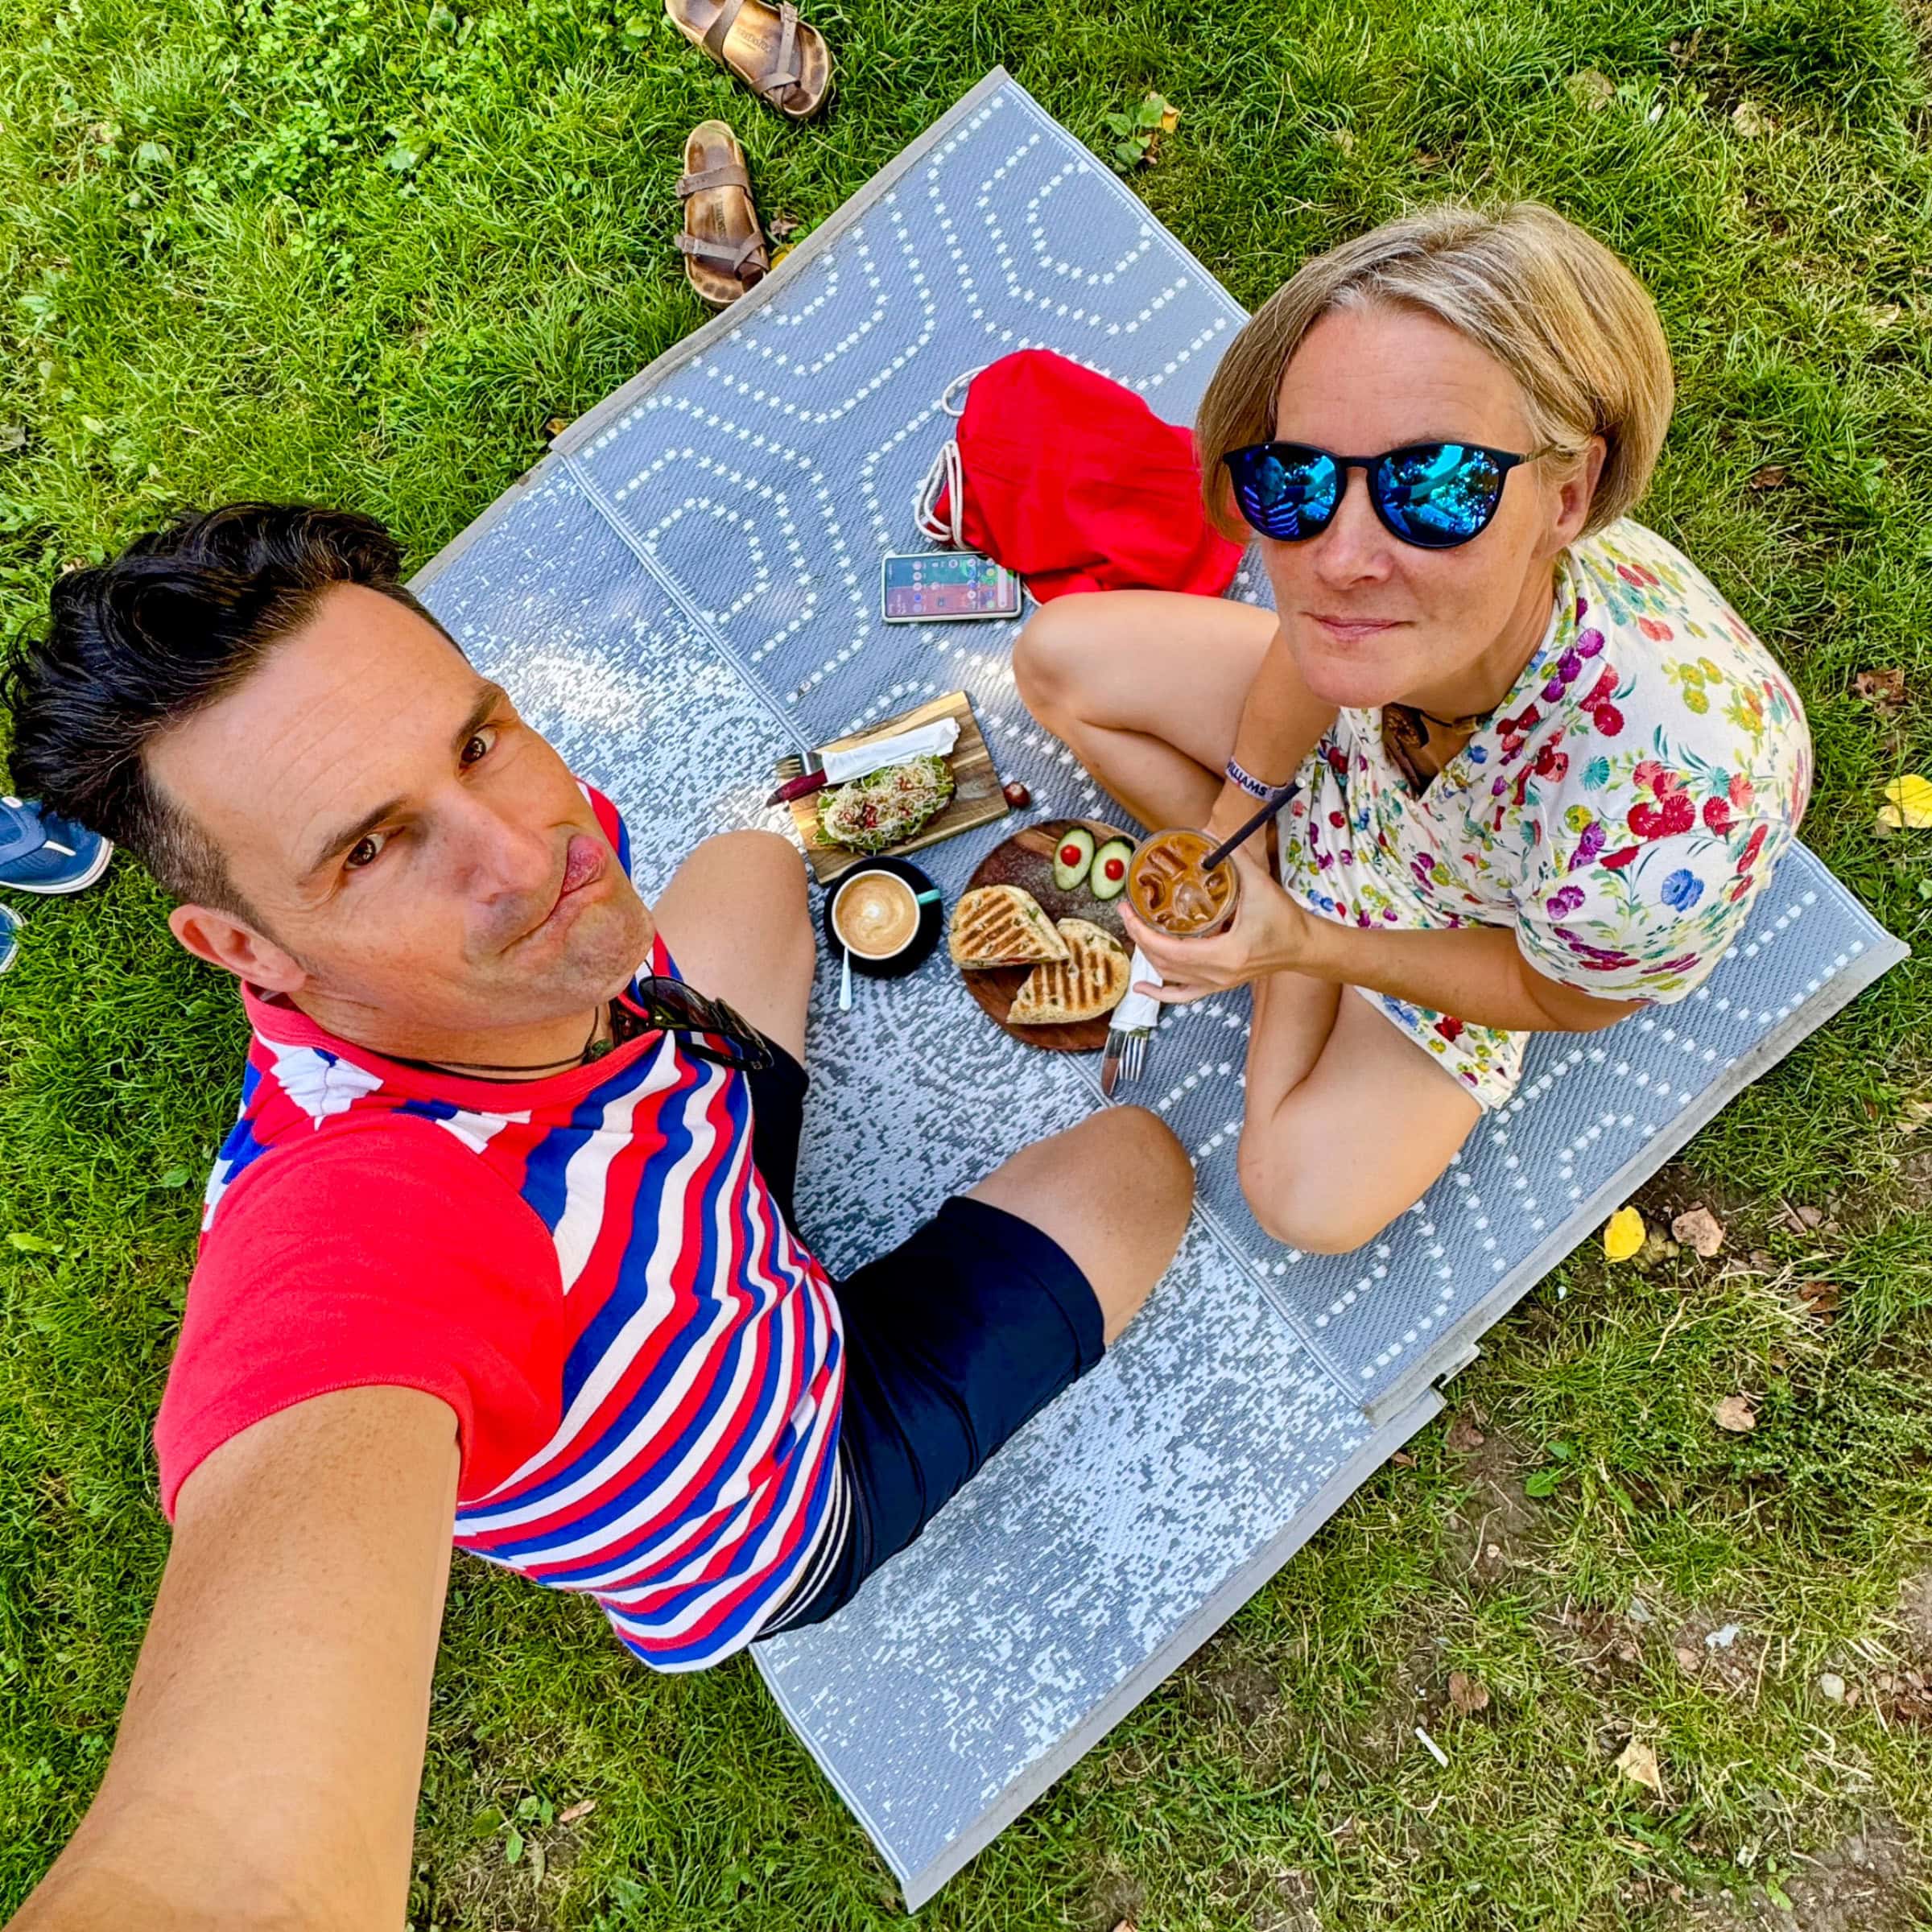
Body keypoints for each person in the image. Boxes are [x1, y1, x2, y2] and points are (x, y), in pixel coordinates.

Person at [0, 505, 1193, 1928]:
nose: (529, 856)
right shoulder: (366, 1219)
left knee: (754, 864)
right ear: (243, 947)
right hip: (784, 1492)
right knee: (1139, 1170)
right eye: (372, 849)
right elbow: (231, 1870)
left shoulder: (542, 884)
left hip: (696, 1161)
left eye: (475, 740)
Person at [1017, 201, 1810, 1257]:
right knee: (1055, 659)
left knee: (1303, 1203)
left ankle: (1286, 931)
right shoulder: (1407, 602)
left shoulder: (1667, 830)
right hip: (1356, 777)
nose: (1338, 559)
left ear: (1569, 496)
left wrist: (1301, 942)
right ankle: (1279, 890)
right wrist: (1229, 832)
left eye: (1434, 489)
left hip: (1471, 919)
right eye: (1293, 479)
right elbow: (1312, 643)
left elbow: (1558, 996)